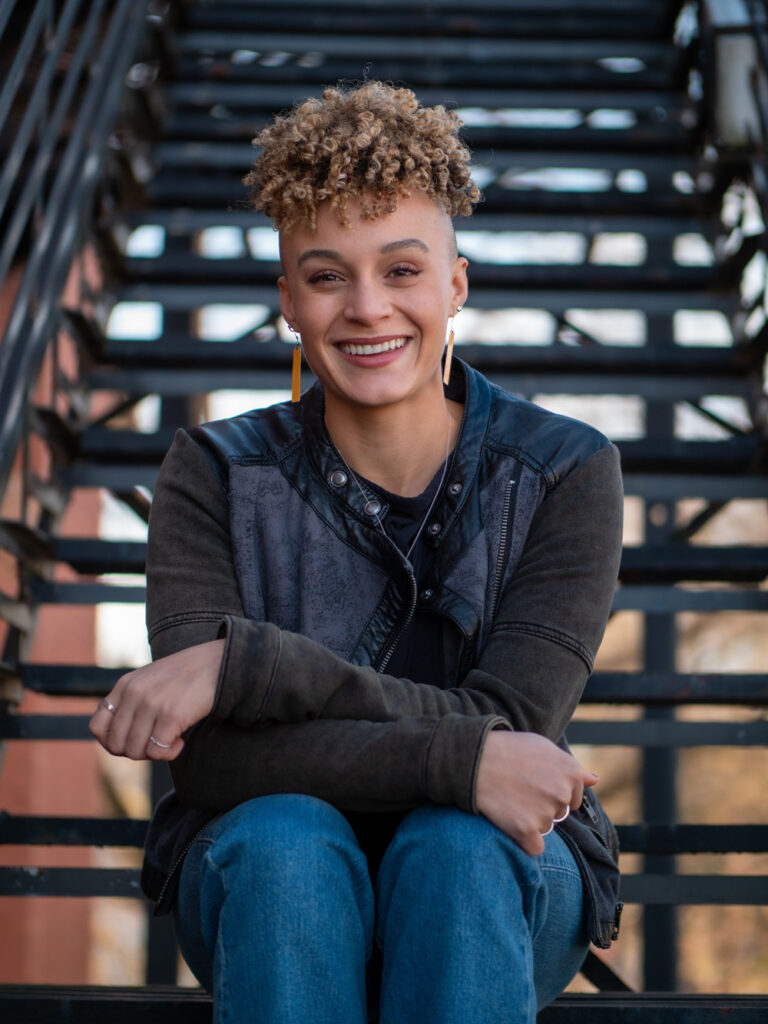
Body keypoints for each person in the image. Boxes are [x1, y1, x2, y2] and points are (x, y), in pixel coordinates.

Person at [90, 81, 623, 1024]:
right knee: (289, 844)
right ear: (289, 299)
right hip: (266, 881)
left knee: (452, 852)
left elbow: (509, 727)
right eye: (329, 274)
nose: (368, 308)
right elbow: (211, 766)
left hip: (498, 882)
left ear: (455, 283)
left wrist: (246, 668)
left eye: (403, 270)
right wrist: (463, 761)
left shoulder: (565, 472)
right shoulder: (211, 472)